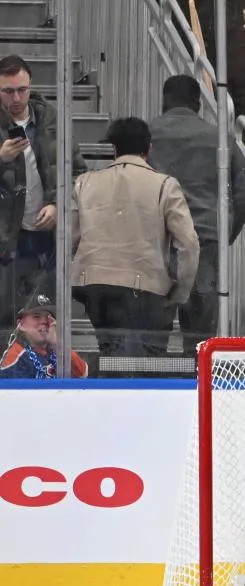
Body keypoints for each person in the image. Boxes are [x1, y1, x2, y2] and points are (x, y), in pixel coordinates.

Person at [72, 117, 199, 367]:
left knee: (110, 354)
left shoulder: (84, 182)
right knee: (146, 364)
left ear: (114, 149)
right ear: (148, 148)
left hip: (94, 285)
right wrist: (180, 290)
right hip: (146, 287)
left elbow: (71, 235)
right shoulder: (165, 185)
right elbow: (189, 243)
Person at [146, 75, 245, 354]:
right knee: (200, 344)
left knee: (150, 339)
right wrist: (225, 233)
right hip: (205, 241)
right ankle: (197, 391)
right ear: (197, 103)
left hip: (156, 242)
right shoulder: (220, 139)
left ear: (164, 100)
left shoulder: (146, 136)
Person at [0, 55, 87, 321]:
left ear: (31, 86)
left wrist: (58, 204)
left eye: (22, 90)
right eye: (8, 91)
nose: (16, 98)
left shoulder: (52, 120)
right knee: (6, 317)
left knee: (46, 317)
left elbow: (78, 174)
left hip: (47, 235)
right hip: (6, 236)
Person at [0, 293, 89, 379]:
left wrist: (58, 345)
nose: (44, 322)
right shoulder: (15, 355)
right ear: (21, 324)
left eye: (48, 317)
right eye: (37, 317)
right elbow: (17, 393)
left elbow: (82, 375)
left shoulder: (56, 350)